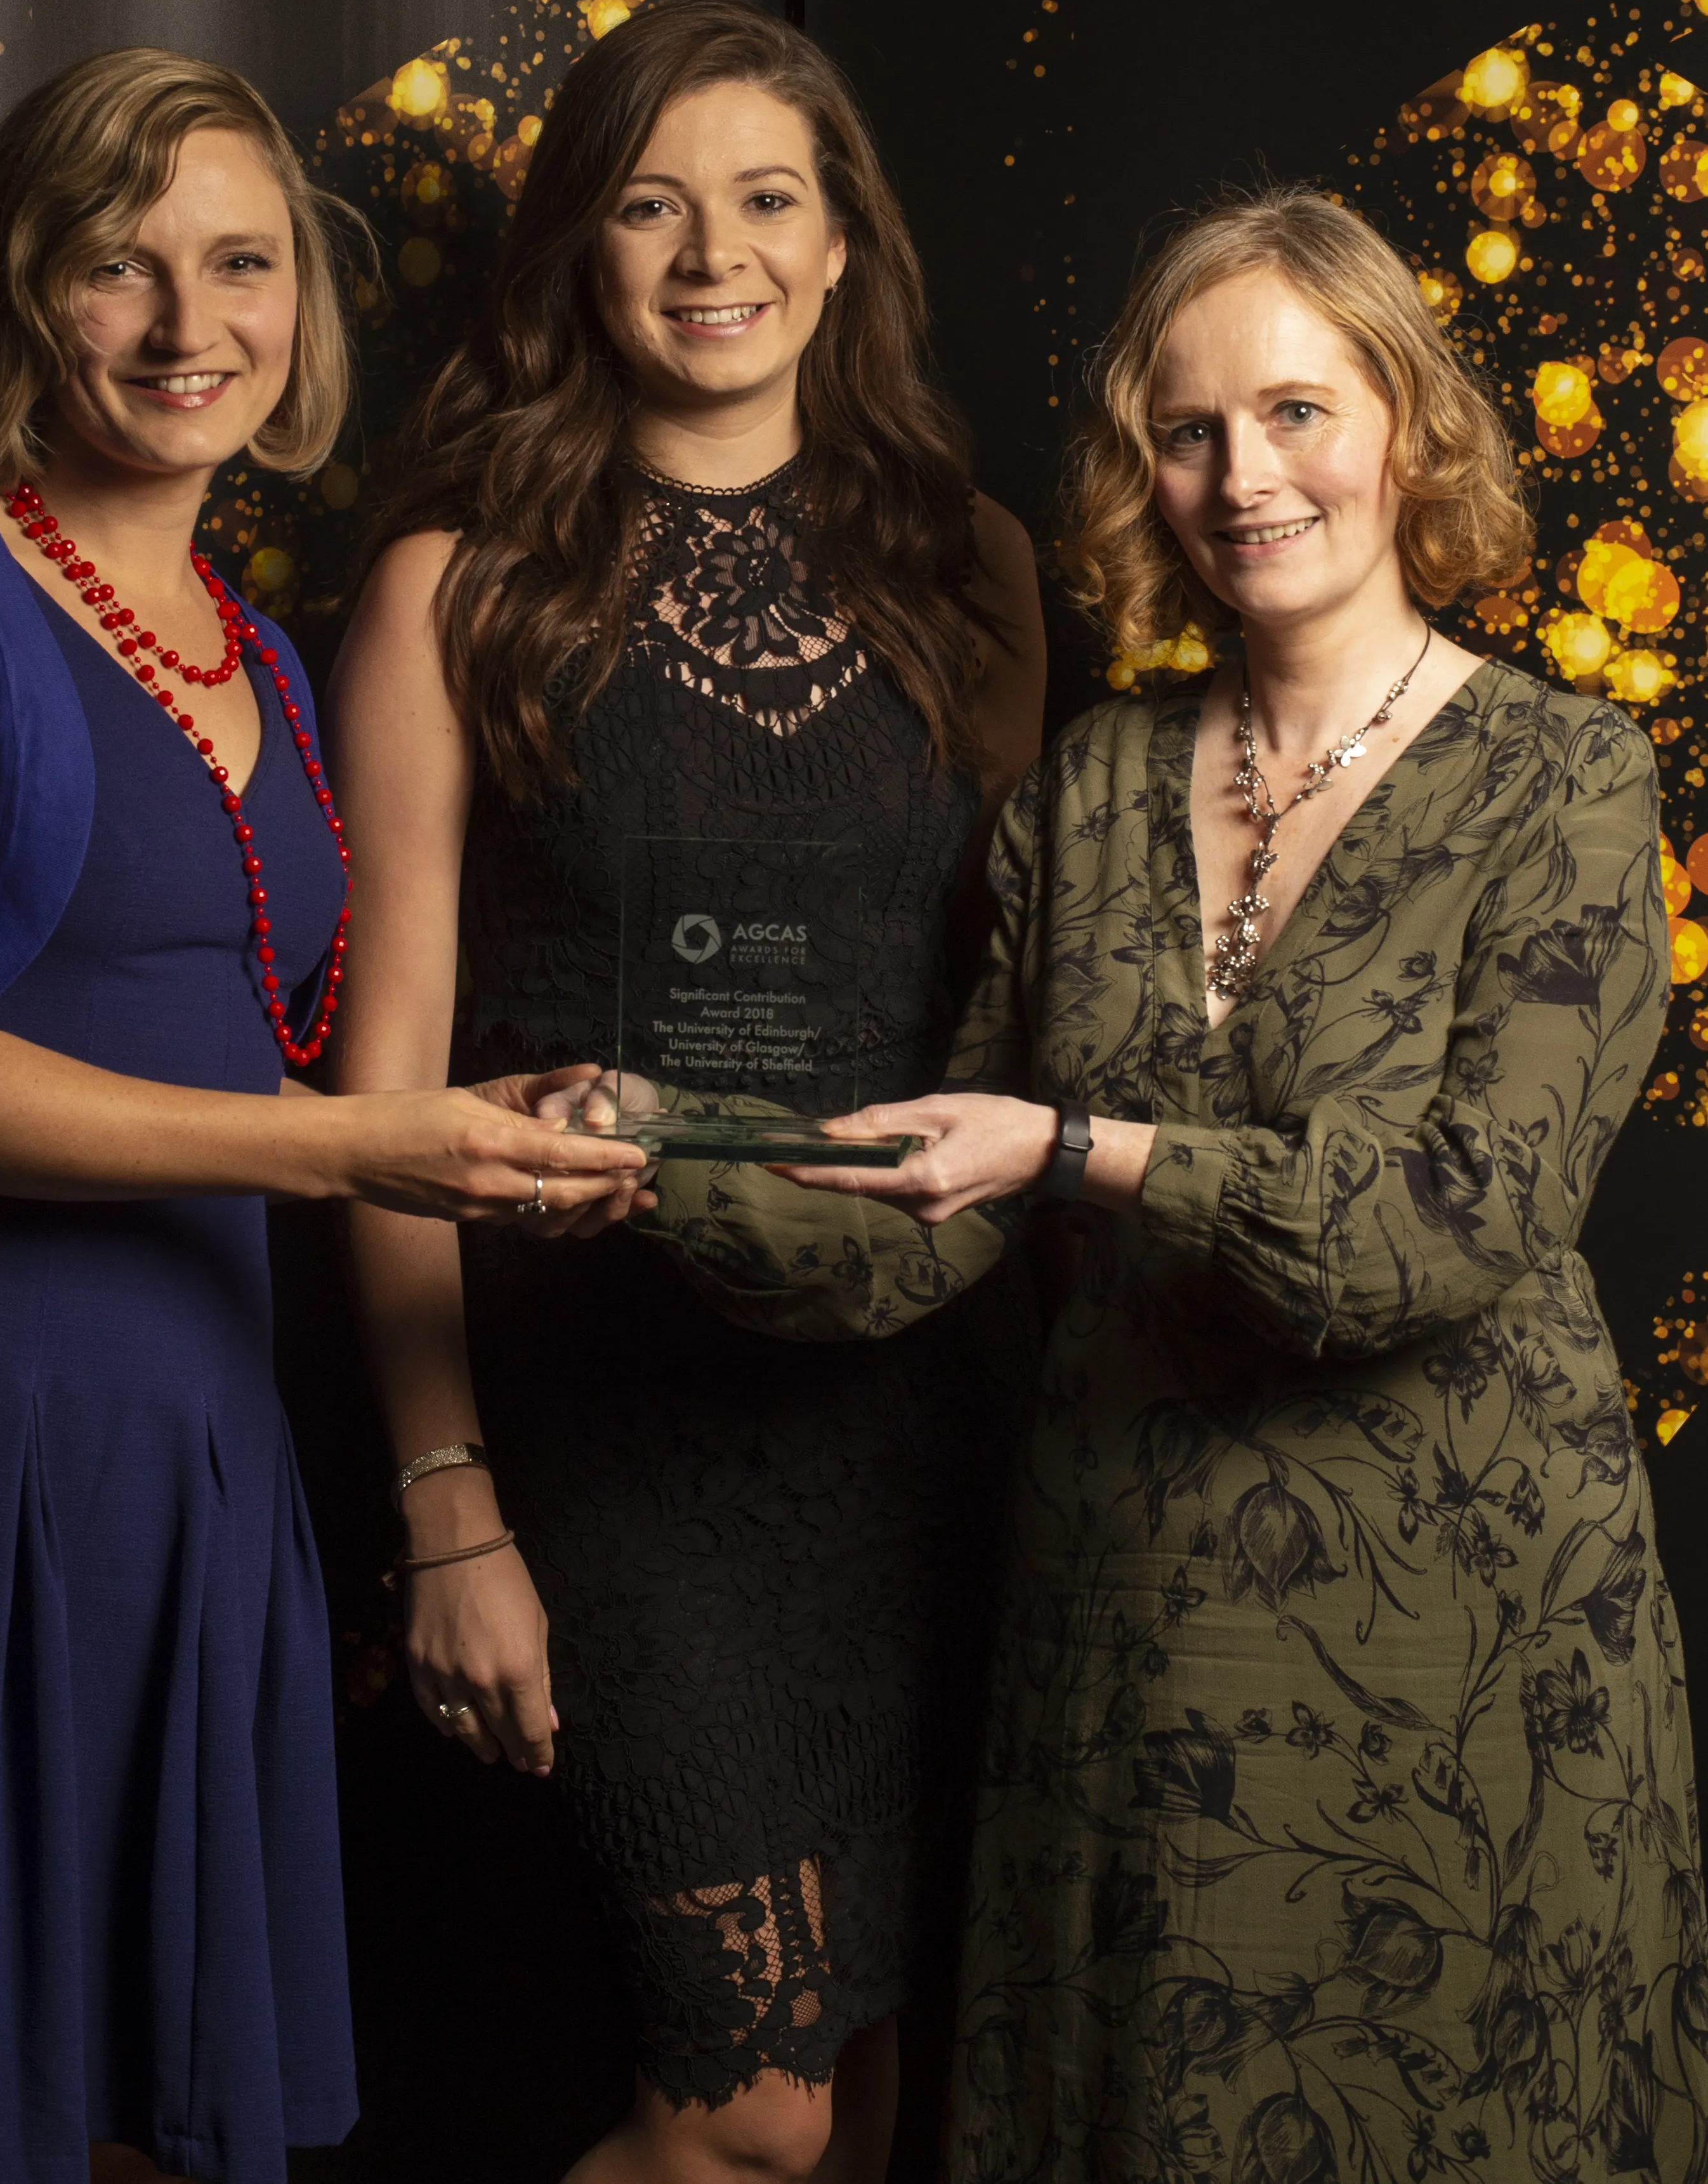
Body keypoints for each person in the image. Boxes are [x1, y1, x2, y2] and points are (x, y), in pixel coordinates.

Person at [644, 188, 1705, 2180]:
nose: (1247, 478)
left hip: (1470, 1651)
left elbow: (1455, 1219)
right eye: (1192, 432)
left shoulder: (1567, 782)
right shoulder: (1094, 788)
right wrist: (643, 1156)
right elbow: (930, 1211)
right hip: (1135, 1637)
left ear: (1410, 421)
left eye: (1300, 412)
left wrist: (1076, 1148)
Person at [0, 49, 647, 2184]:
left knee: (147, 2124)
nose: (189, 325)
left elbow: (259, 1042)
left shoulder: (270, 663)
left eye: (241, 262)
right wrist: (356, 1146)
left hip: (195, 1456)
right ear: (27, 292)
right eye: (120, 265)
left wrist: (479, 1117)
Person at [326, 0, 1046, 2181]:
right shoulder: (457, 588)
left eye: (765, 199)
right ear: (577, 251)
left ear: (844, 250)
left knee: (885, 2089)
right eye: (650, 203)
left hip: (915, 1408)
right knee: (750, 2120)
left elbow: (1019, 1018)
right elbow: (381, 1090)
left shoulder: (974, 570)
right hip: (614, 1424)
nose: (710, 252)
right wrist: (447, 1506)